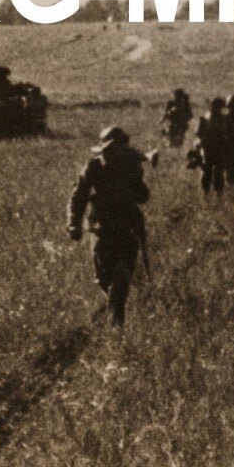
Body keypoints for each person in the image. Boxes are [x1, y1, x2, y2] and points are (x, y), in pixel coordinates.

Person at [67, 125, 152, 329]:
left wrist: (133, 187)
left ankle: (116, 322)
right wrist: (73, 224)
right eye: (112, 148)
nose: (116, 153)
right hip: (101, 228)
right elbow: (78, 197)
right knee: (103, 279)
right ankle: (115, 307)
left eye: (120, 148)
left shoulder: (132, 167)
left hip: (127, 227)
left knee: (122, 273)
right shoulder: (93, 168)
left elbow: (143, 196)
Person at [191, 96, 231, 196]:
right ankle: (207, 193)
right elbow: (198, 134)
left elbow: (229, 132)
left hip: (219, 147)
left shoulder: (223, 118)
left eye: (218, 107)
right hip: (208, 147)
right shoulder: (205, 119)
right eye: (215, 106)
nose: (216, 109)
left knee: (217, 171)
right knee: (207, 171)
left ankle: (217, 193)